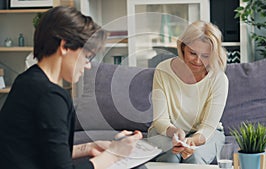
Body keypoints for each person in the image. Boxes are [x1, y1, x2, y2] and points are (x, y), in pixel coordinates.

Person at [0, 6, 142, 169]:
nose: (88, 65)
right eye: (87, 56)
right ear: (65, 46)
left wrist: (89, 147)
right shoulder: (51, 97)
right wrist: (114, 155)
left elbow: (38, 151)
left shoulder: (26, 80)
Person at [147, 20, 228, 164]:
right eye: (193, 53)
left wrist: (191, 141)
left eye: (205, 56)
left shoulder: (218, 78)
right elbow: (160, 120)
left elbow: (208, 127)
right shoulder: (163, 70)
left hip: (206, 134)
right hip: (166, 131)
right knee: (170, 157)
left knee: (194, 158)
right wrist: (176, 133)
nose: (198, 61)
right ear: (183, 47)